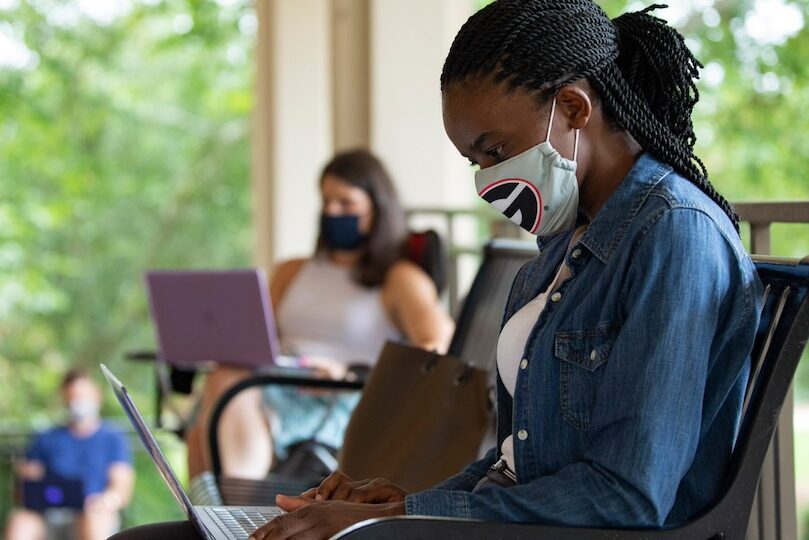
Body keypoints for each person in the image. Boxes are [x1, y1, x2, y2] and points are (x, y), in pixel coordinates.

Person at [111, 1, 763, 538]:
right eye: (473, 160)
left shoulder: (672, 234)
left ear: (572, 108)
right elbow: (521, 460)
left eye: (494, 149)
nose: (487, 179)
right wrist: (397, 502)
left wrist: (408, 516)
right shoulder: (562, 246)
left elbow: (627, 494)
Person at [184, 149, 454, 492]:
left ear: (377, 207)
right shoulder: (292, 270)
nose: (331, 212)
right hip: (277, 383)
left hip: (340, 396)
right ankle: (232, 513)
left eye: (345, 203)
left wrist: (351, 374)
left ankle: (237, 508)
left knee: (214, 413)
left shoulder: (400, 279)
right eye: (326, 201)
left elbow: (437, 347)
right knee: (217, 395)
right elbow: (255, 337)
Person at [5, 369, 134, 540]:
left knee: (93, 519)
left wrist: (105, 501)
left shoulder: (112, 438)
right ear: (65, 399)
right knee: (20, 521)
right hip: (49, 513)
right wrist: (27, 479)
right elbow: (22, 491)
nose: (78, 402)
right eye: (73, 397)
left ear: (97, 396)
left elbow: (122, 487)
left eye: (83, 396)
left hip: (92, 511)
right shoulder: (47, 438)